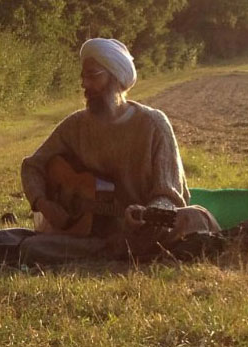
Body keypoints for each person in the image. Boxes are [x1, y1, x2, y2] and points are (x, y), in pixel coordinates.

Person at [20, 38, 220, 264]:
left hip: (144, 228)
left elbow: (169, 195)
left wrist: (147, 214)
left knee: (196, 218)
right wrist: (43, 204)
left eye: (93, 75)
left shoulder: (154, 125)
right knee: (32, 247)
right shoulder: (75, 126)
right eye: (83, 76)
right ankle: (119, 252)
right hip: (89, 234)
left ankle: (114, 251)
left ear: (115, 77)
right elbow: (32, 166)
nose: (85, 84)